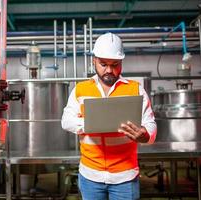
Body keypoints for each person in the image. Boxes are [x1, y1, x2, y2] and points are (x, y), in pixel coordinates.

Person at [61, 32, 157, 200]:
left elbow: (150, 124)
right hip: (90, 175)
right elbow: (66, 121)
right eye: (103, 64)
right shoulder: (81, 89)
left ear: (121, 63)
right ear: (94, 61)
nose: (109, 70)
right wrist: (91, 123)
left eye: (115, 64)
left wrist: (145, 135)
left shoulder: (136, 89)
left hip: (125, 177)